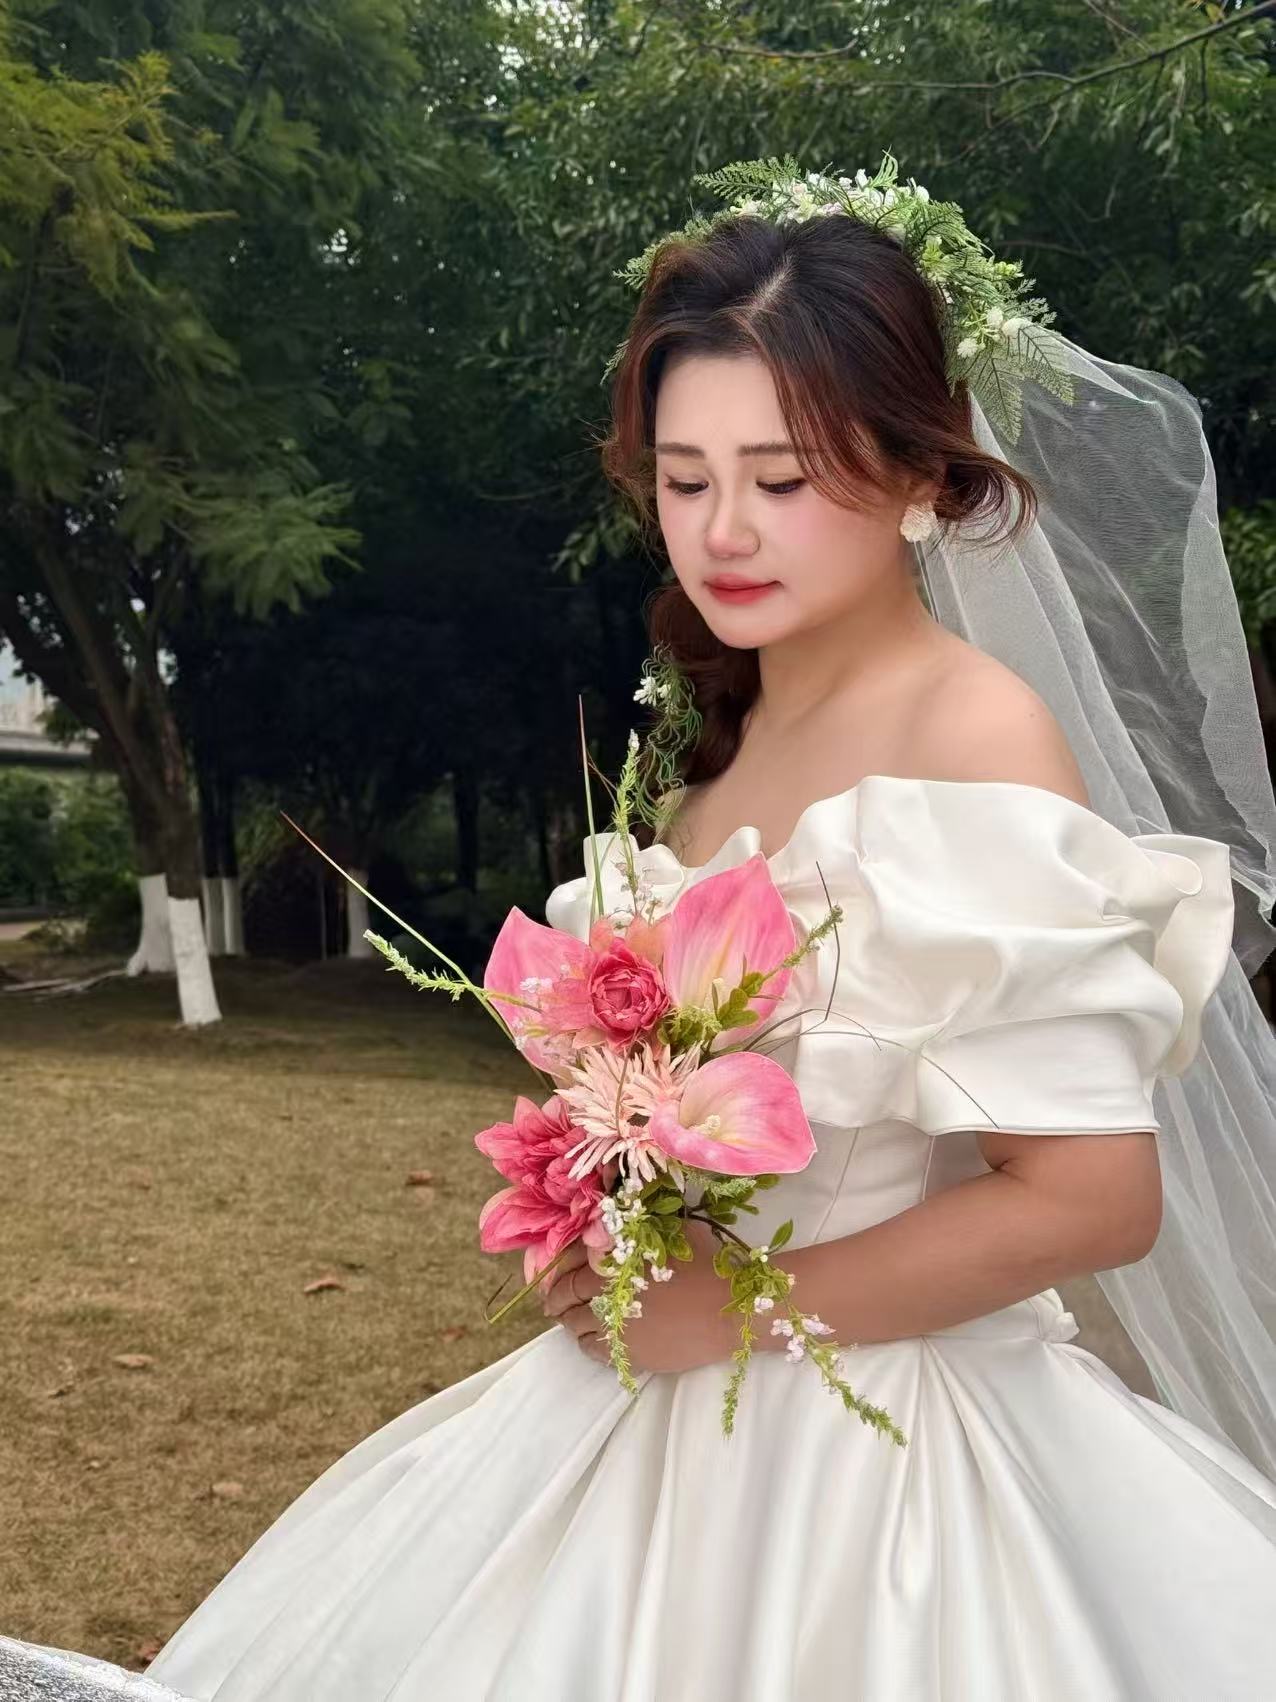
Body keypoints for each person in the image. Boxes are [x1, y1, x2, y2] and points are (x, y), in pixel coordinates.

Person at [76, 159, 1276, 1698]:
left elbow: (1092, 1199)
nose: (724, 531)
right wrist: (616, 1217)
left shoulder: (976, 734)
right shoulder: (716, 745)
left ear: (920, 475)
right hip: (648, 1404)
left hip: (878, 1463)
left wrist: (730, 1307)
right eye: (686, 477)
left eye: (782, 479)